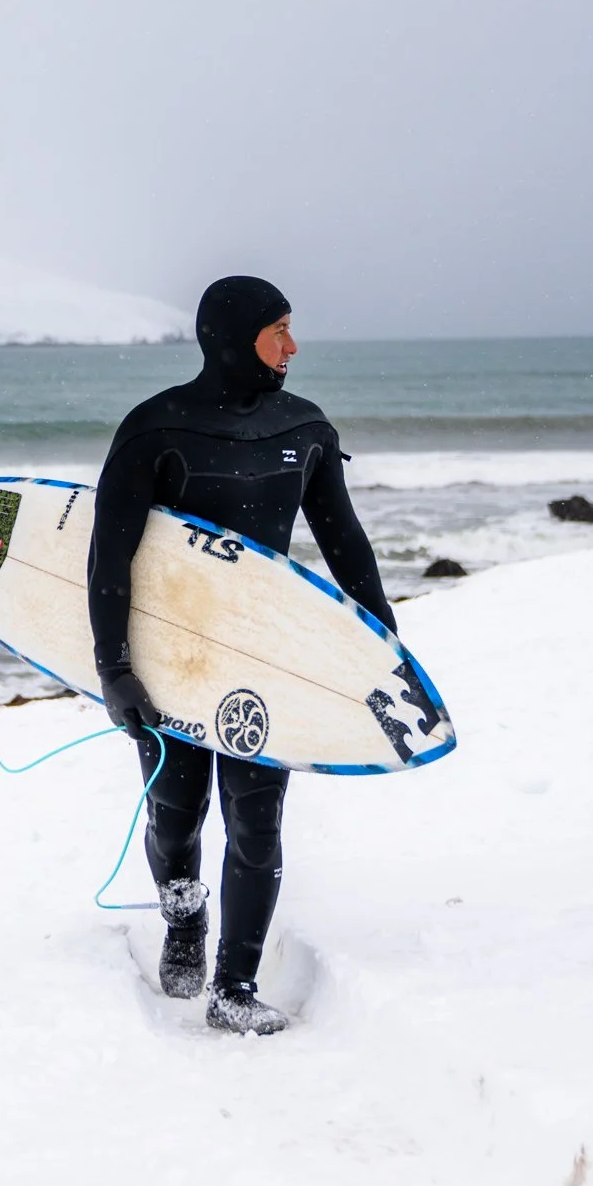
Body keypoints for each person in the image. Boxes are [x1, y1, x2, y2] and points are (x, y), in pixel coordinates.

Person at [89, 276, 399, 1035]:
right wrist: (115, 667)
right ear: (232, 338)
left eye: (292, 328)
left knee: (256, 822)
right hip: (172, 657)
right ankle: (183, 915)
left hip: (262, 655)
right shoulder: (155, 429)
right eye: (278, 330)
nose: (293, 345)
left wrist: (384, 644)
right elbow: (109, 558)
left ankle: (234, 986)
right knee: (176, 813)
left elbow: (344, 543)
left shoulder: (306, 428)